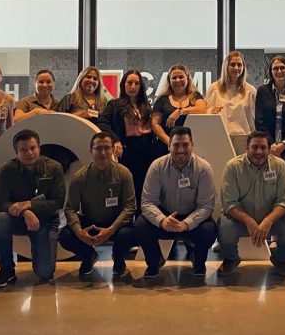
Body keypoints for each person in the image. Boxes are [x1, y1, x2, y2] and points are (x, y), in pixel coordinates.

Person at [134, 126, 217, 279]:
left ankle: (198, 261)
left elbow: (206, 206)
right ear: (169, 146)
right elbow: (147, 202)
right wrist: (162, 220)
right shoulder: (157, 166)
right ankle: (154, 262)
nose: (181, 150)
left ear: (192, 145)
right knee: (140, 225)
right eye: (176, 145)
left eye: (185, 145)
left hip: (192, 217)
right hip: (166, 216)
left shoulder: (204, 168)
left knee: (209, 230)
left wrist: (186, 223)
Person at [217, 131, 285, 278]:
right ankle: (231, 259)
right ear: (246, 148)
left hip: (272, 220)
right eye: (254, 147)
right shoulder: (233, 166)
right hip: (241, 221)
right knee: (224, 225)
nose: (259, 152)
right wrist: (249, 221)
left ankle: (281, 259)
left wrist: (267, 221)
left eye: (263, 148)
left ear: (269, 149)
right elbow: (229, 203)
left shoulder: (280, 166)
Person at [0, 129, 66, 288]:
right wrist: (25, 211)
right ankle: (6, 269)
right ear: (16, 152)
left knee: (45, 272)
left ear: (39, 148)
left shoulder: (54, 167)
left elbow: (58, 202)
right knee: (0, 220)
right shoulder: (7, 169)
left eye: (33, 148)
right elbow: (1, 202)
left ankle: (39, 253)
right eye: (23, 150)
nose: (29, 153)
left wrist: (29, 204)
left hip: (45, 221)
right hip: (18, 219)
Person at [59, 132, 137, 279]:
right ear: (91, 151)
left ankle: (118, 259)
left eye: (107, 148)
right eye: (98, 148)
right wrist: (79, 231)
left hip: (115, 223)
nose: (103, 152)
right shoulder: (80, 177)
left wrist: (111, 229)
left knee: (129, 234)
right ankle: (88, 255)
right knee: (65, 236)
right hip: (91, 221)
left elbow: (130, 207)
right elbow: (70, 208)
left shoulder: (124, 174)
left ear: (113, 150)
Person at [99, 69, 158, 205]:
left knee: (145, 186)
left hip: (147, 149)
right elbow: (102, 122)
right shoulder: (114, 104)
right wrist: (115, 140)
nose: (133, 87)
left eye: (136, 83)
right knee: (128, 185)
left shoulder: (146, 106)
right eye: (129, 83)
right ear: (123, 85)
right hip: (127, 149)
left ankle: (143, 214)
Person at [254, 56, 285, 181]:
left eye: (282, 68)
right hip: (267, 146)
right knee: (268, 179)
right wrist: (272, 145)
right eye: (275, 68)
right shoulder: (262, 91)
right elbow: (259, 121)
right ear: (271, 71)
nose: (279, 71)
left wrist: (284, 144)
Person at [206, 51, 257, 154]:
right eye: (233, 64)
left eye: (239, 65)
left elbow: (255, 117)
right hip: (221, 134)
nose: (236, 68)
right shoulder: (214, 88)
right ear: (226, 67)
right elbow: (207, 112)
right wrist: (211, 111)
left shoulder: (250, 90)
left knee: (242, 164)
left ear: (243, 67)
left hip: (244, 136)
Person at [151, 64, 207, 148]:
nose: (177, 80)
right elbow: (154, 124)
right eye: (174, 78)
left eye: (181, 77)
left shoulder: (195, 96)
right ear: (169, 80)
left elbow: (202, 109)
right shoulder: (162, 99)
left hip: (189, 147)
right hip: (166, 146)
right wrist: (170, 142)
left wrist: (180, 111)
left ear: (187, 78)